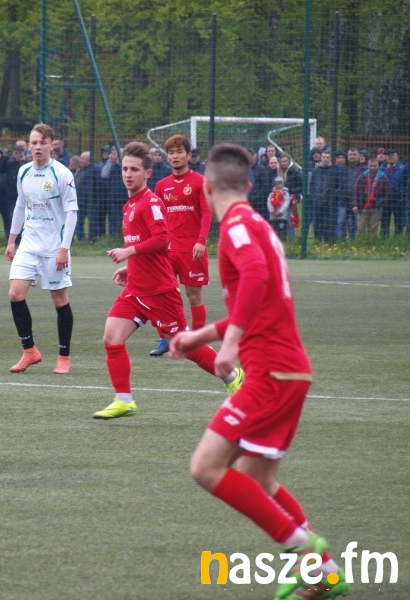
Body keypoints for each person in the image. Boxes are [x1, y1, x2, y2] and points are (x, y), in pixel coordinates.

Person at [169, 143, 349, 600]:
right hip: (290, 369)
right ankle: (326, 572)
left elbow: (254, 278)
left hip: (270, 371)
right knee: (256, 477)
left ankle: (306, 552)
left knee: (206, 466)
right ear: (250, 186)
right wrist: (200, 335)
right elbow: (258, 302)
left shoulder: (236, 227)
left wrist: (229, 345)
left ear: (207, 188)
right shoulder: (259, 226)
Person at [92, 141, 243, 420]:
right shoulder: (129, 205)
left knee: (184, 345)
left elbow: (162, 240)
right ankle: (124, 400)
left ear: (147, 173)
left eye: (134, 170)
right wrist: (130, 268)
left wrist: (129, 252)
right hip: (136, 290)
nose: (128, 174)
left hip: (160, 291)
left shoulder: (150, 203)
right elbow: (145, 245)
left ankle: (233, 376)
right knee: (112, 337)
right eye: (125, 169)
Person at [5, 123, 78, 375]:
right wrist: (12, 240)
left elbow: (72, 213)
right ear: (29, 145)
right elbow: (20, 205)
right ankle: (30, 351)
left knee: (59, 300)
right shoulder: (23, 171)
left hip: (53, 247)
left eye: (42, 143)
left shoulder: (62, 174)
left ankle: (64, 357)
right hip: (28, 244)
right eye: (33, 143)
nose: (37, 147)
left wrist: (64, 248)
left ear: (51, 145)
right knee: (15, 294)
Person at [150, 135, 212, 357]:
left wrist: (201, 241)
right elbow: (154, 217)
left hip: (192, 250)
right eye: (171, 153)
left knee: (193, 295)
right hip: (167, 251)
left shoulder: (200, 182)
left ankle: (196, 341)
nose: (175, 156)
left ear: (188, 155)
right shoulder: (161, 185)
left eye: (179, 152)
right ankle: (166, 339)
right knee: (160, 295)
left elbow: (207, 213)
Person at [352, 156, 388, 239]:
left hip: (376, 206)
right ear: (367, 166)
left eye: (375, 165)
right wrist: (355, 204)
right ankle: (360, 243)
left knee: (373, 228)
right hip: (363, 206)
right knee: (360, 227)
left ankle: (372, 243)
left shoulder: (382, 177)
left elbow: (387, 193)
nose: (373, 167)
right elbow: (356, 192)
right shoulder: (362, 177)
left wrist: (383, 203)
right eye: (371, 166)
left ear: (378, 166)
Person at [307, 150, 339, 243]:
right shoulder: (316, 171)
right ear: (321, 158)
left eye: (327, 157)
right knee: (317, 223)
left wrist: (332, 197)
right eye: (324, 157)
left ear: (330, 159)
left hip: (329, 204)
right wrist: (313, 199)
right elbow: (312, 186)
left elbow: (338, 186)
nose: (325, 159)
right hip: (317, 203)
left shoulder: (334, 171)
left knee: (327, 224)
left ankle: (328, 242)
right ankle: (317, 241)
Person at [379, 149, 405, 236]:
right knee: (384, 221)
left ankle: (398, 239)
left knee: (399, 222)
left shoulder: (403, 169)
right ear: (386, 157)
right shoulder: (381, 169)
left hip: (399, 200)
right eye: (388, 155)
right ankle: (384, 239)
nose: (390, 157)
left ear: (397, 157)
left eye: (393, 155)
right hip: (385, 200)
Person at [267, 176, 291, 240]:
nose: (278, 186)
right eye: (276, 184)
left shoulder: (285, 193)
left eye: (279, 183)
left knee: (282, 230)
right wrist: (272, 211)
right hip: (273, 216)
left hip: (282, 216)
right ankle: (273, 242)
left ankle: (282, 241)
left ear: (282, 184)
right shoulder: (272, 193)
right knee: (273, 230)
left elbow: (286, 203)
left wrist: (280, 211)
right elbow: (269, 202)